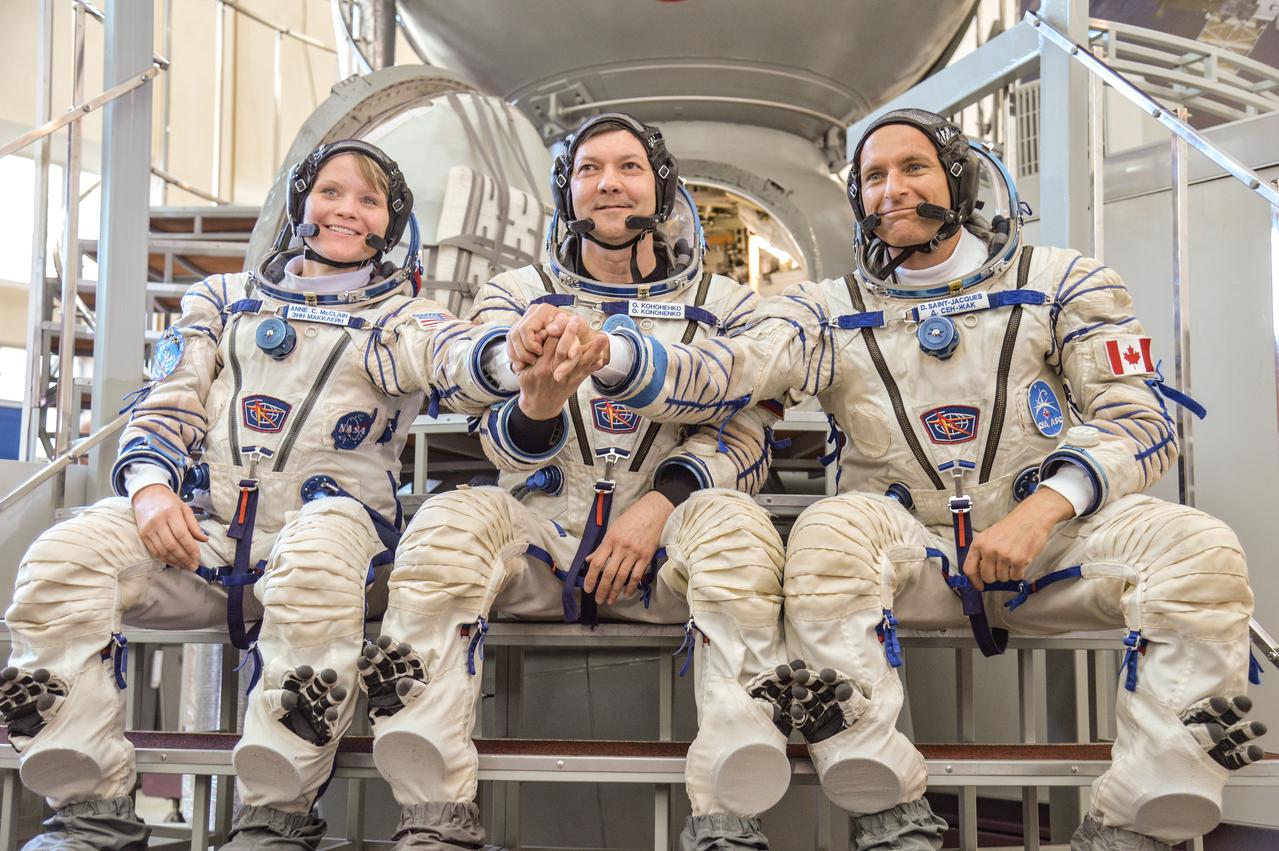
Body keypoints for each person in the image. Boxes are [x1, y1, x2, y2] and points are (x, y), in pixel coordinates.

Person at [531, 109, 1265, 850]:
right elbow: (734, 370)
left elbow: (1138, 420)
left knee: (1198, 547)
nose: (891, 191)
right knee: (825, 532)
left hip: (1053, 541)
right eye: (873, 177)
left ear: (959, 179)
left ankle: (1140, 814)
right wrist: (616, 358)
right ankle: (885, 803)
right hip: (908, 546)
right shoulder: (825, 309)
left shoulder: (1063, 280)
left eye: (912, 168)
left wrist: (1041, 510)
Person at [1, 140, 513, 850]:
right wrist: (150, 490)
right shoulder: (224, 300)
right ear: (301, 201)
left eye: (367, 200)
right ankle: (89, 811)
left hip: (332, 536)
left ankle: (276, 816)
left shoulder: (401, 317)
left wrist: (514, 354)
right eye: (331, 191)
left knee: (315, 555)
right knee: (65, 557)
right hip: (204, 533)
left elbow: (461, 356)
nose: (346, 210)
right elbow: (168, 401)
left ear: (388, 225)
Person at [362, 113, 791, 850]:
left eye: (628, 167)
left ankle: (729, 812)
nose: (609, 185)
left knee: (738, 532)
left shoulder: (727, 306)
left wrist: (658, 504)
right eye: (590, 169)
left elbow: (745, 434)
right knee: (447, 524)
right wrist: (536, 404)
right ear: (567, 192)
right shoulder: (515, 296)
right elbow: (487, 429)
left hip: (668, 543)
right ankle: (431, 811)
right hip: (545, 532)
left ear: (660, 185)